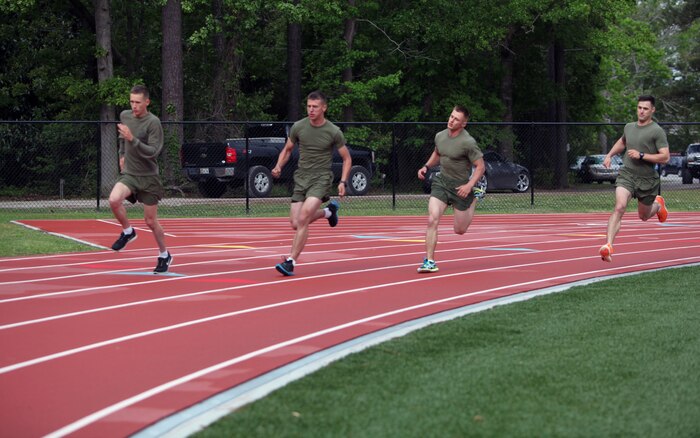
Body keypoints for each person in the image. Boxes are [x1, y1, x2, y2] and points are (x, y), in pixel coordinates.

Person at [271, 91, 352, 276]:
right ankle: (329, 212)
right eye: (308, 106)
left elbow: (347, 159)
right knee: (295, 222)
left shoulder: (333, 131)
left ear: (324, 108)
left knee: (304, 217)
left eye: (315, 107)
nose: (311, 110)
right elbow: (287, 149)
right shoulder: (299, 126)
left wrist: (343, 182)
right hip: (301, 178)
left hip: (321, 178)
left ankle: (291, 261)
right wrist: (278, 166)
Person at [108, 84, 173, 273]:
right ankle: (128, 232)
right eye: (131, 102)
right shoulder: (125, 116)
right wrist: (121, 154)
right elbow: (122, 138)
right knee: (113, 200)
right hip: (130, 174)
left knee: (150, 222)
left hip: (149, 177)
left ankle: (164, 254)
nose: (134, 106)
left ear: (147, 102)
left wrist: (133, 140)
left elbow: (153, 152)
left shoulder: (153, 122)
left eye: (137, 102)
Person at [599, 95, 670, 262]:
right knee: (619, 207)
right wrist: (609, 155)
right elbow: (622, 142)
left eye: (645, 108)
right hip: (627, 174)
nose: (642, 111)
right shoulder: (629, 127)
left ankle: (658, 205)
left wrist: (642, 155)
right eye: (639, 108)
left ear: (652, 110)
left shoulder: (657, 131)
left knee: (643, 216)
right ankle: (608, 246)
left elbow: (665, 157)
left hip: (647, 180)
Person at [416, 105, 486, 273]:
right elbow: (437, 154)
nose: (451, 120)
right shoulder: (440, 136)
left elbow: (480, 166)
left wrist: (469, 186)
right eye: (451, 116)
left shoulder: (468, 142)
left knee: (459, 230)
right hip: (441, 182)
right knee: (432, 219)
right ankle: (430, 261)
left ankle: (476, 196)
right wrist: (426, 166)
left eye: (456, 119)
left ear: (463, 124)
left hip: (461, 186)